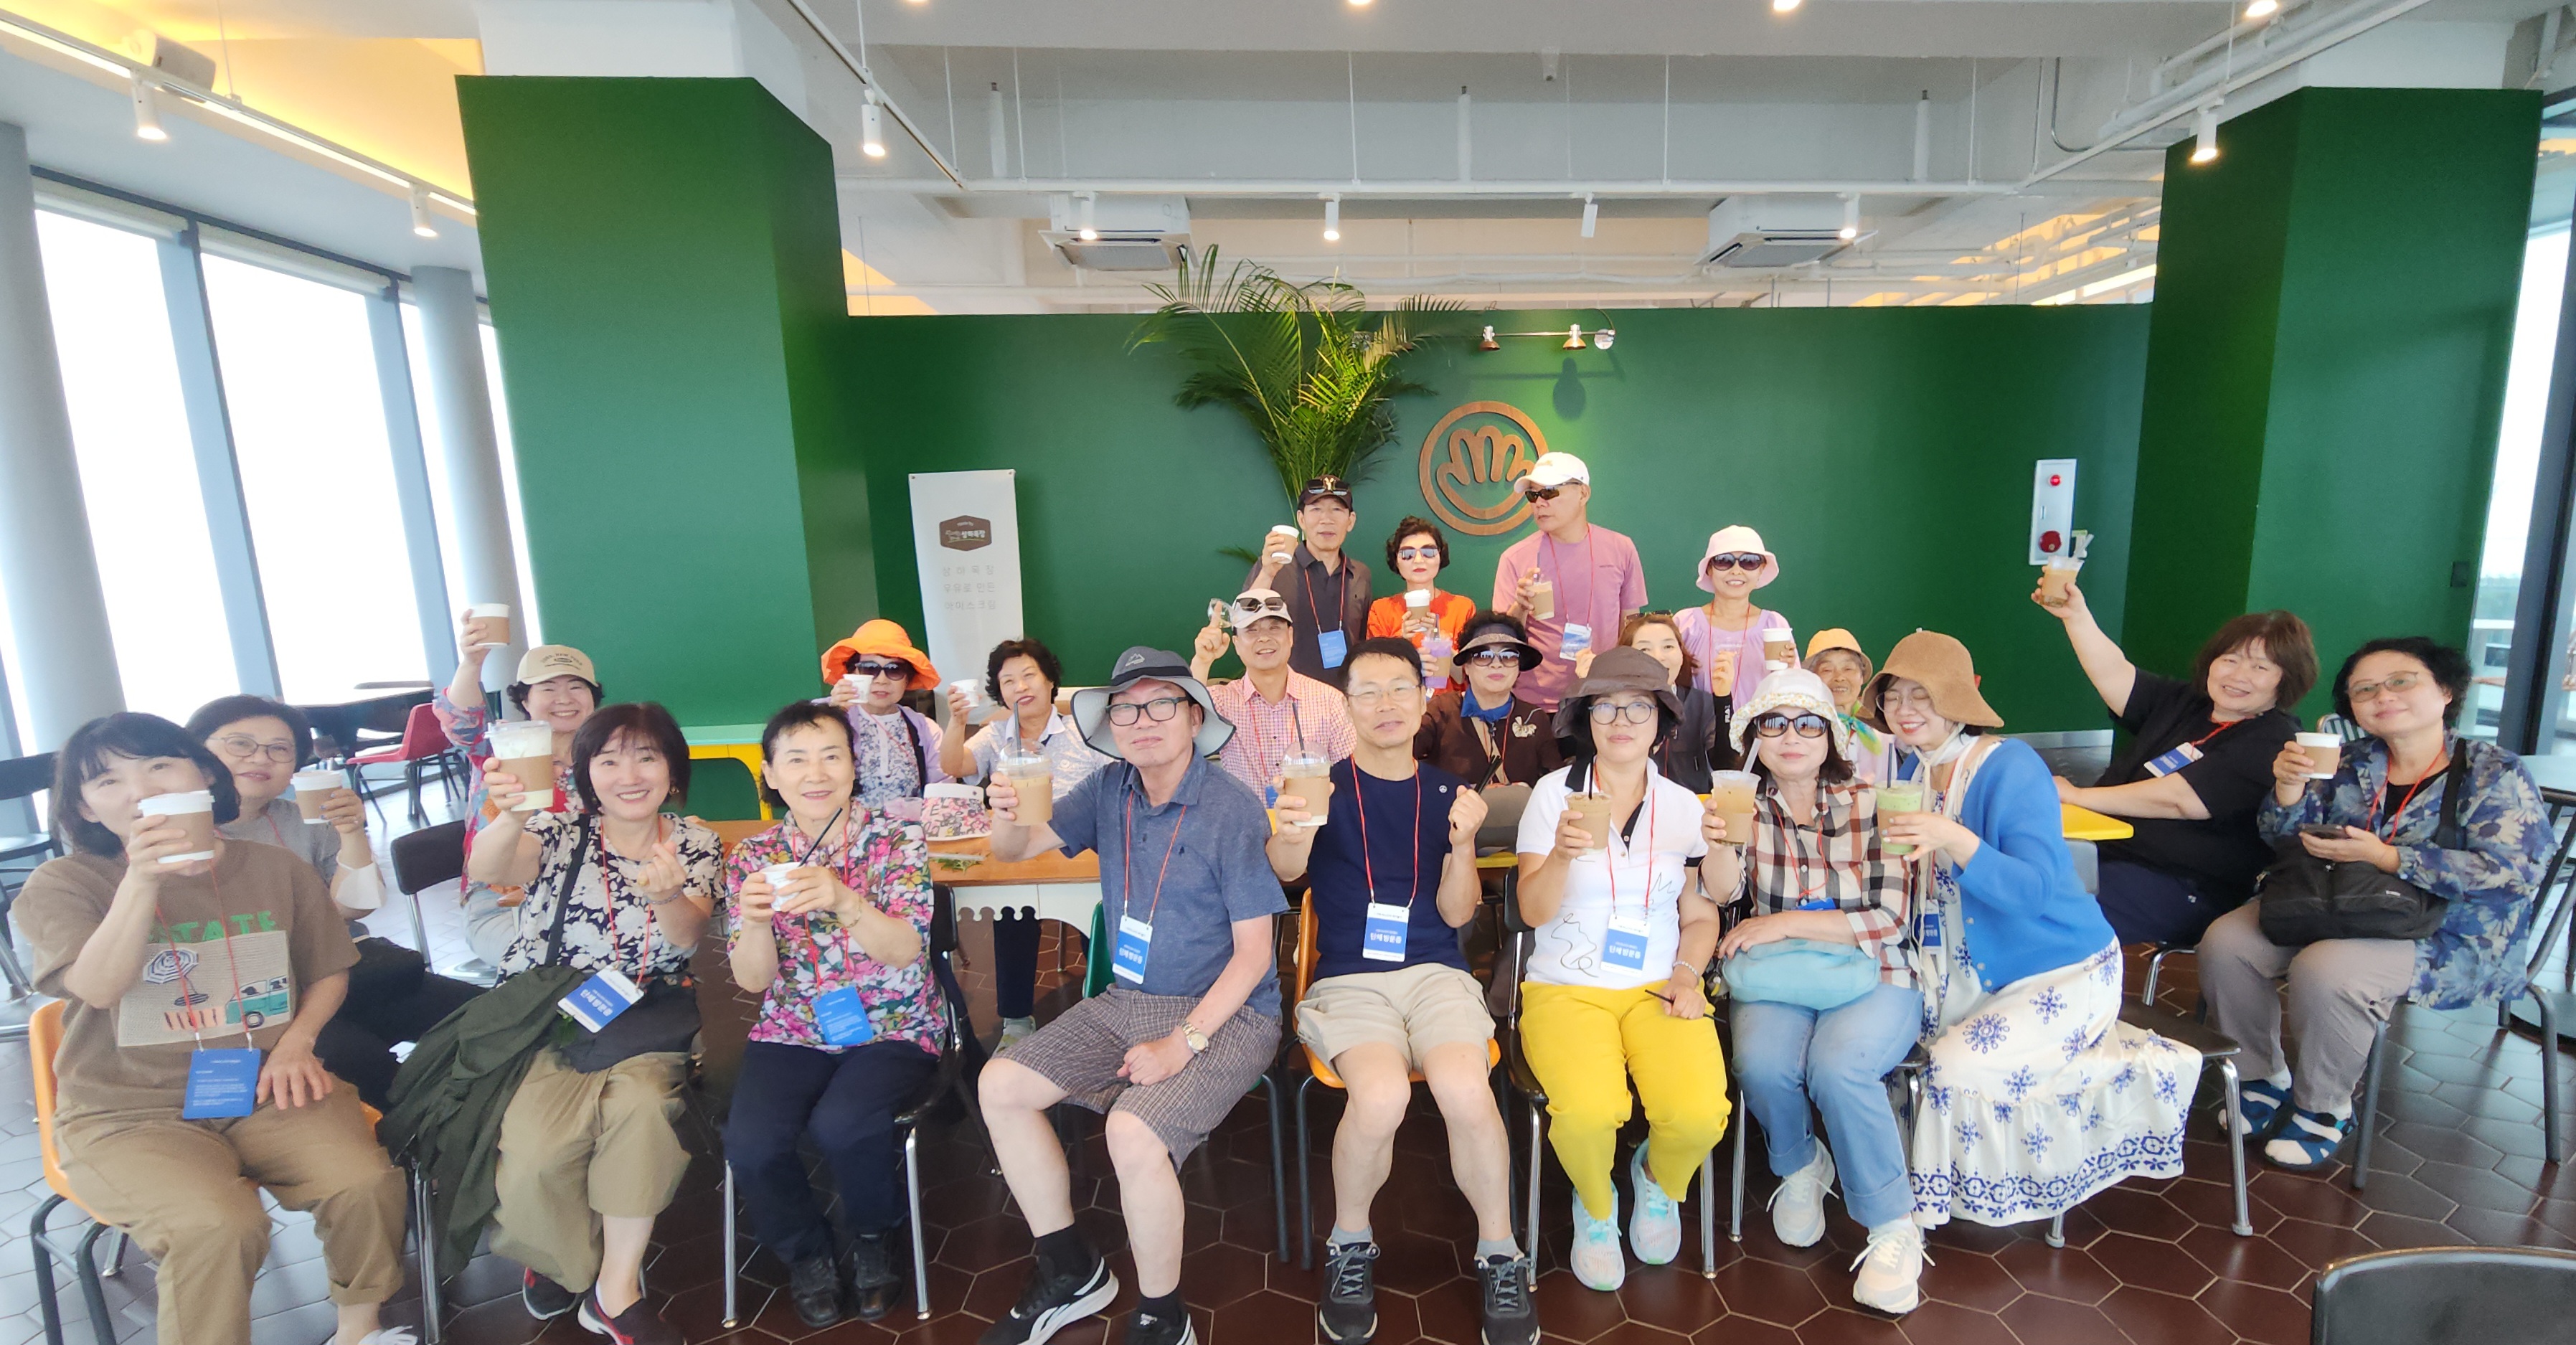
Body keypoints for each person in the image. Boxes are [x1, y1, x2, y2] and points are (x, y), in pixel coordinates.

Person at [16, 714, 411, 1345]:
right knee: (217, 1224)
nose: (141, 790)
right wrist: (142, 878)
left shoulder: (275, 868)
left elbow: (328, 970)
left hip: (266, 1085)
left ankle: (359, 1330)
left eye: (159, 766)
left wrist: (297, 1041)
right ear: (85, 807)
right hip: (127, 1111)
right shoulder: (64, 883)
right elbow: (97, 986)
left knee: (364, 1183)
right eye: (108, 780)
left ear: (203, 776)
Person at [976, 648, 1285, 1345]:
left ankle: (1161, 1316)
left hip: (1228, 1013)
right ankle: (1070, 1269)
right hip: (1128, 998)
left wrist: (1183, 1043)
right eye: (1125, 709)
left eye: (1161, 704)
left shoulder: (1230, 807)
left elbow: (1254, 956)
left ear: (1194, 718)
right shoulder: (1109, 788)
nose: (1142, 720)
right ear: (1110, 725)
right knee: (1000, 1084)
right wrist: (1003, 809)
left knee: (1131, 1129)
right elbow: (1018, 849)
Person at [1861, 632, 2200, 1232]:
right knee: (1878, 1045)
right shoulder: (1913, 768)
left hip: (2057, 971)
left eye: (1922, 694)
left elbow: (2034, 890)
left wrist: (1954, 838)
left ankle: (1943, 1205)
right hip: (1963, 972)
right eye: (1892, 696)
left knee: (1951, 1067)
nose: (1904, 709)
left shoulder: (2009, 765)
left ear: (1957, 697)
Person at [1265, 638, 1534, 1345]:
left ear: (1422, 700)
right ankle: (1349, 1243)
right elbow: (1285, 872)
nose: (1385, 704)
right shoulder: (1319, 786)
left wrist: (1463, 845)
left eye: (1399, 689)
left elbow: (1456, 914)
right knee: (1381, 1096)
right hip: (1350, 982)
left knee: (1466, 1089)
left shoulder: (1451, 795)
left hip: (1438, 975)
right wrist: (1293, 827)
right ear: (1346, 706)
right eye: (1367, 691)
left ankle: (1500, 1251)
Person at [2204, 638, 2549, 1171]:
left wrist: (2391, 858)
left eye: (2401, 681)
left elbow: (2516, 872)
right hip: (2331, 903)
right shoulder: (2348, 761)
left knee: (2328, 968)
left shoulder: (2493, 772)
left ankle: (2324, 1106)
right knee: (2227, 942)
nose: (2382, 696)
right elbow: (2283, 839)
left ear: (2446, 690)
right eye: (2363, 690)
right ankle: (2259, 1076)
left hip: (2450, 932)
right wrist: (2288, 789)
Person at [468, 703, 721, 1345]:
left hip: (647, 1019)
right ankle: (557, 1256)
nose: (628, 775)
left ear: (673, 770)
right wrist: (511, 814)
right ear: (586, 774)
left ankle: (615, 1291)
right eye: (608, 761)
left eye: (646, 758)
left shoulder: (696, 842)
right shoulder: (555, 830)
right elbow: (490, 870)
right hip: (551, 1020)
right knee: (536, 1154)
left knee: (642, 1110)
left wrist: (668, 895)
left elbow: (688, 936)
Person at [1702, 670, 1921, 1313]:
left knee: (1838, 1066)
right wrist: (1719, 843)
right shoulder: (1743, 804)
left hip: (1875, 965)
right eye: (1772, 724)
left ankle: (1892, 1226)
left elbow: (1891, 917)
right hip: (1779, 972)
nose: (1790, 736)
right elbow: (1722, 894)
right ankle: (1801, 1165)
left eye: (1807, 723)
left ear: (1830, 738)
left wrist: (1784, 922)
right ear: (1753, 739)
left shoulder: (1875, 803)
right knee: (1760, 1062)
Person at [1513, 648, 1730, 1293]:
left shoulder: (1686, 807)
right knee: (1587, 1111)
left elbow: (1703, 913)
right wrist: (1559, 856)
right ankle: (1595, 1202)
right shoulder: (1553, 796)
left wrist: (1687, 974)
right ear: (1586, 717)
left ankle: (1655, 1179)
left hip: (1658, 985)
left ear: (1661, 721)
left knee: (1698, 1112)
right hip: (1566, 988)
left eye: (1638, 707)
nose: (1620, 721)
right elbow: (1531, 910)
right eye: (1604, 707)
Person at [722, 701, 945, 1325]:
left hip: (894, 1023)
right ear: (770, 774)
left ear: (853, 766)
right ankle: (806, 1251)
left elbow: (904, 951)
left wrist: (847, 901)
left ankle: (874, 1234)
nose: (815, 773)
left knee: (843, 1123)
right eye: (796, 759)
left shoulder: (896, 840)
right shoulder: (753, 857)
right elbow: (752, 980)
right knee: (751, 1140)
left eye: (831, 756)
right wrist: (755, 923)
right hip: (792, 1027)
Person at [189, 696, 483, 1109]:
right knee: (358, 1061)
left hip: (345, 976)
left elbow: (354, 909)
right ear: (199, 754)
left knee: (484, 1017)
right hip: (261, 1002)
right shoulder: (179, 837)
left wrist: (351, 832)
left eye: (279, 749)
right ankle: (412, 1133)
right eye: (240, 744)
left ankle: (467, 1120)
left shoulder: (304, 819)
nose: (260, 758)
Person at [2037, 580, 2314, 950]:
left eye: (2260, 667)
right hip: (2105, 852)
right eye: (2230, 660)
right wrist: (2076, 617)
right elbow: (2114, 674)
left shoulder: (2274, 738)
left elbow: (2179, 800)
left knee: (2050, 918)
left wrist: (2077, 796)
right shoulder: (2188, 703)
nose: (2238, 675)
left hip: (2182, 882)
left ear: (2286, 680)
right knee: (2011, 886)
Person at [940, 638, 1112, 1047]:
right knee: (1012, 914)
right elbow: (953, 765)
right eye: (1008, 681)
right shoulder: (995, 736)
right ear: (1000, 693)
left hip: (1082, 849)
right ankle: (1016, 1020)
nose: (1020, 687)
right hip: (1019, 849)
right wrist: (957, 720)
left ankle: (1107, 1008)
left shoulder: (1085, 731)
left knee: (1100, 914)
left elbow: (1113, 786)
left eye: (1029, 675)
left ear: (1050, 681)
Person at [434, 625, 604, 966]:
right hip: (503, 903)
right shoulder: (504, 745)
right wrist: (471, 662)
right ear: (525, 700)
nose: (564, 698)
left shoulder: (608, 757)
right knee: (564, 963)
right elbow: (460, 721)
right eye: (548, 688)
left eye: (576, 686)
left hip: (589, 889)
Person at [1491, 453, 1648, 709]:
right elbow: (1502, 641)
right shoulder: (1515, 558)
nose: (1539, 503)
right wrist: (1520, 607)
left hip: (1605, 695)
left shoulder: (1621, 548)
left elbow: (1632, 626)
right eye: (1533, 495)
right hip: (1535, 701)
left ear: (1583, 494)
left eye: (1549, 493)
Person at [1194, 588, 1357, 799]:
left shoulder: (1329, 701)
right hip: (1247, 820)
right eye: (1251, 630)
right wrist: (1202, 662)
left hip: (1313, 818)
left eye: (1274, 628)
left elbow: (1352, 775)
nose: (1264, 637)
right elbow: (1182, 735)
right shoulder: (1220, 701)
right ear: (1236, 644)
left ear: (1290, 636)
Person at [1248, 474, 1374, 685]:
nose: (1326, 519)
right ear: (1301, 519)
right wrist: (1267, 572)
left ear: (1350, 521)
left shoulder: (1361, 574)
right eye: (1316, 509)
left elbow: (1362, 640)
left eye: (1337, 509)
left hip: (1347, 694)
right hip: (1288, 695)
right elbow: (1246, 623)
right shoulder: (1275, 567)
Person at [1416, 613, 1565, 791]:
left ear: (1519, 667)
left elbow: (1556, 784)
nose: (1496, 664)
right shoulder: (1440, 711)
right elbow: (1399, 759)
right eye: (1483, 655)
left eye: (1508, 656)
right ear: (1466, 666)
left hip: (1517, 809)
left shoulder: (1534, 717)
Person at [822, 619, 952, 816]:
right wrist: (834, 715)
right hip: (840, 830)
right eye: (869, 668)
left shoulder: (924, 728)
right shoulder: (822, 714)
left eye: (894, 670)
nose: (882, 680)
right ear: (852, 673)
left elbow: (942, 791)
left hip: (909, 831)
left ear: (907, 679)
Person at [1674, 527, 1794, 709]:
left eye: (1750, 562)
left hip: (1761, 726)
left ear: (1761, 570)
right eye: (1724, 561)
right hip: (1698, 726)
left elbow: (1791, 695)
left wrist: (1790, 672)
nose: (1736, 571)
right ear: (1709, 569)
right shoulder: (1686, 623)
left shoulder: (1775, 625)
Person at [1364, 516, 1477, 694]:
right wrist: (1402, 642)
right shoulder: (1381, 610)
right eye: (1407, 554)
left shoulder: (1462, 608)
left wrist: (1440, 643)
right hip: (1399, 703)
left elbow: (1465, 677)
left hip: (1449, 705)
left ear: (1440, 556)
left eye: (1428, 552)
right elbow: (1373, 675)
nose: (1418, 560)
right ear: (1396, 560)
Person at [1619, 611, 1726, 792]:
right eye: (1645, 649)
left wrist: (1723, 700)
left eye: (1668, 646)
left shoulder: (1701, 704)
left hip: (1693, 806)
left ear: (1681, 654)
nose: (1658, 657)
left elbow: (1726, 765)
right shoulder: (1616, 709)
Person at [1804, 628, 1898, 785]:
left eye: (1848, 669)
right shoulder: (1804, 728)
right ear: (1812, 679)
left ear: (1861, 677)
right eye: (1827, 670)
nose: (1839, 677)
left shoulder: (1884, 719)